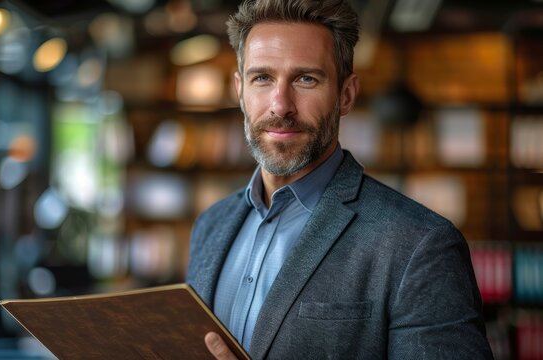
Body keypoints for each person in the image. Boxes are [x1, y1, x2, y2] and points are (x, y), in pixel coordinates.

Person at [186, 0, 494, 359]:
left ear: (345, 95)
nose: (280, 105)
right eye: (262, 78)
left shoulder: (420, 245)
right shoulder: (210, 226)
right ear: (239, 90)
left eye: (306, 79)